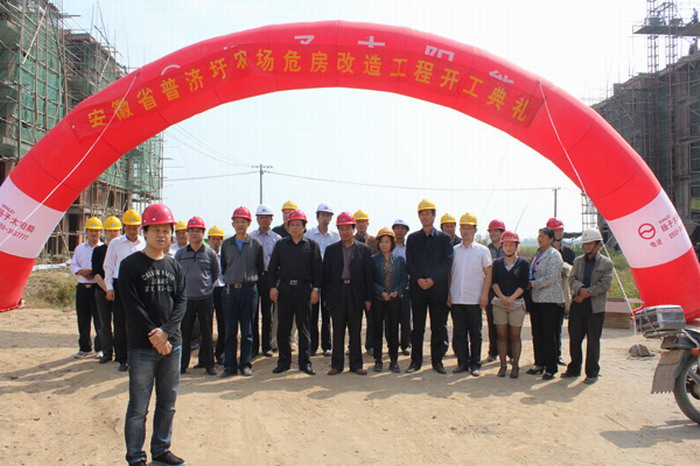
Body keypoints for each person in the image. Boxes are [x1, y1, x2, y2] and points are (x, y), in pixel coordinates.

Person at [118, 203, 186, 466]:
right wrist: (155, 336)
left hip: (172, 346)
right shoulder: (130, 265)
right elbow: (131, 305)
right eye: (156, 230)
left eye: (166, 230)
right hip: (142, 347)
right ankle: (135, 456)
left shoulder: (174, 266)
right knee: (138, 407)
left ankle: (161, 450)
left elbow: (181, 303)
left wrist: (166, 333)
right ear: (145, 232)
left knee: (168, 403)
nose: (162, 235)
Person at [268, 209, 322, 375]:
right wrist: (273, 287)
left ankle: (305, 363)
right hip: (284, 289)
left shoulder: (312, 245)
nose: (295, 227)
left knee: (304, 327)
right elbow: (272, 267)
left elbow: (318, 270)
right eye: (292, 224)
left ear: (304, 227)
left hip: (304, 290)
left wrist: (316, 290)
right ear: (287, 226)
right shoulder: (281, 244)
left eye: (298, 224)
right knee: (283, 328)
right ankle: (283, 362)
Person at [405, 199, 453, 374]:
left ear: (434, 216)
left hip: (437, 289)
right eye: (422, 214)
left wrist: (432, 279)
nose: (425, 217)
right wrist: (418, 279)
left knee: (438, 328)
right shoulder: (412, 238)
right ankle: (415, 361)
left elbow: (447, 262)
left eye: (428, 214)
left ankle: (437, 361)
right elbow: (410, 262)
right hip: (418, 289)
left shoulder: (444, 239)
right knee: (417, 328)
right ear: (419, 217)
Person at [323, 212, 373, 375]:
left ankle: (356, 364)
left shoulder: (364, 250)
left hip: (356, 293)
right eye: (341, 229)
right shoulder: (331, 250)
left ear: (353, 229)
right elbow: (326, 276)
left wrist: (368, 298)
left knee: (355, 330)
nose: (345, 232)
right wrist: (326, 298)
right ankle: (336, 365)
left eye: (348, 228)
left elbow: (368, 276)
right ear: (338, 230)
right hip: (337, 293)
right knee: (337, 330)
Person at [562, 229, 613, 384]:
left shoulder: (606, 263)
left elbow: (605, 284)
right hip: (578, 304)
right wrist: (581, 289)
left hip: (595, 307)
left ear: (598, 245)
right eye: (585, 244)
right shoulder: (578, 261)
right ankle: (574, 368)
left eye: (590, 243)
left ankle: (592, 372)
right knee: (575, 338)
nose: (587, 246)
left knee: (593, 340)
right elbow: (572, 279)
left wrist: (588, 293)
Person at [220, 207, 265, 377]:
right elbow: (224, 266)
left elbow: (260, 268)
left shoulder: (256, 244)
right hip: (231, 290)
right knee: (230, 331)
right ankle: (229, 366)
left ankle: (245, 364)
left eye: (243, 221)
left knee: (248, 330)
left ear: (249, 223)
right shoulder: (226, 244)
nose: (240, 224)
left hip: (249, 290)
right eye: (237, 221)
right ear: (232, 224)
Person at [448, 213, 492, 376]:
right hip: (457, 298)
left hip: (474, 299)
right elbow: (450, 274)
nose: (465, 231)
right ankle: (462, 363)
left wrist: (485, 294)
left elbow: (488, 273)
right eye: (463, 228)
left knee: (475, 333)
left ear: (475, 230)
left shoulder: (482, 250)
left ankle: (475, 364)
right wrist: (449, 293)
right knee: (459, 333)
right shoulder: (454, 251)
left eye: (468, 228)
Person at [175, 216, 219, 376]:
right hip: (187, 299)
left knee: (207, 333)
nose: (194, 233)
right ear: (187, 233)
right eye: (192, 230)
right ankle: (182, 364)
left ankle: (209, 364)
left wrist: (205, 286)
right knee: (185, 333)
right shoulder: (180, 253)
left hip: (205, 298)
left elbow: (215, 273)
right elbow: (176, 274)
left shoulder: (210, 253)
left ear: (203, 233)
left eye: (198, 230)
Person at [104, 209, 146, 372]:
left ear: (139, 227)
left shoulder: (144, 243)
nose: (132, 231)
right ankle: (122, 358)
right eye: (129, 227)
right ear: (124, 227)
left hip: (139, 285)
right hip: (120, 284)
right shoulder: (115, 243)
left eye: (135, 227)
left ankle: (136, 355)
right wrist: (109, 288)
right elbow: (108, 266)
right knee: (120, 323)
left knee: (137, 321)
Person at [491, 231, 529, 378]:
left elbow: (524, 284)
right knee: (501, 335)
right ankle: (502, 365)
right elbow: (494, 282)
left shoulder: (523, 263)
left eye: (511, 245)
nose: (508, 248)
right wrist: (502, 297)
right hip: (499, 303)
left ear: (516, 246)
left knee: (515, 336)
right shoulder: (497, 263)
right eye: (506, 245)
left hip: (517, 303)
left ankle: (515, 365)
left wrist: (512, 298)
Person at [527, 227, 564, 380]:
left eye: (543, 236)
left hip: (549, 300)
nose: (539, 238)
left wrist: (533, 284)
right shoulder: (538, 254)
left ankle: (551, 368)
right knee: (537, 333)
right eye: (539, 235)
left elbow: (552, 277)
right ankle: (539, 363)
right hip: (536, 299)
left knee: (549, 334)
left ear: (551, 239)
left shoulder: (554, 255)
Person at [304, 203, 339, 356]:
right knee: (312, 314)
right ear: (317, 217)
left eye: (328, 216)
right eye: (323, 215)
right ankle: (312, 346)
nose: (326, 218)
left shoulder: (335, 236)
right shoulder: (309, 234)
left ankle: (327, 346)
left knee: (327, 313)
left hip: (329, 279)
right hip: (313, 278)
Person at [371, 227, 407, 373]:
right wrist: (380, 291)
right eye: (382, 242)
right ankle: (378, 360)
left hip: (394, 300)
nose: (384, 245)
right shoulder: (373, 260)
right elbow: (370, 280)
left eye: (387, 241)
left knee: (393, 330)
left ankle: (394, 360)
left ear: (392, 243)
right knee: (377, 330)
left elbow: (404, 279)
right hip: (378, 300)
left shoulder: (399, 260)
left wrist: (397, 291)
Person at [250, 204, 282, 358]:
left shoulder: (277, 239)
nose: (264, 220)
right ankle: (253, 347)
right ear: (257, 219)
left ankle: (266, 346)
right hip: (254, 277)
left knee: (267, 314)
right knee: (253, 313)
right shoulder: (251, 237)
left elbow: (281, 262)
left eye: (267, 217)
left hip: (270, 278)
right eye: (261, 217)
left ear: (271, 219)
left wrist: (276, 282)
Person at [70, 217, 103, 359]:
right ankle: (84, 347)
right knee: (83, 319)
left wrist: (93, 272)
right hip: (83, 287)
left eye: (96, 230)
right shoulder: (80, 248)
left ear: (100, 232)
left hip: (97, 287)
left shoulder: (103, 249)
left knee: (99, 319)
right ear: (86, 232)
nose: (93, 233)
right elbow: (73, 264)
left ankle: (100, 348)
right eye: (91, 230)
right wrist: (80, 271)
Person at [92, 215, 123, 364]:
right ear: (105, 232)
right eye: (109, 231)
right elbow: (96, 274)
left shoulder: (123, 249)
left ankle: (120, 353)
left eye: (115, 230)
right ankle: (106, 352)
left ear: (120, 231)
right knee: (104, 324)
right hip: (102, 291)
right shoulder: (99, 251)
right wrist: (108, 289)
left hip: (119, 292)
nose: (112, 234)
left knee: (120, 323)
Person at [547, 217, 574, 366]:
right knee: (546, 328)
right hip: (546, 294)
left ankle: (557, 355)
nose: (559, 233)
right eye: (556, 230)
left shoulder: (568, 251)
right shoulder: (543, 251)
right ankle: (546, 357)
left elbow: (574, 271)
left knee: (558, 327)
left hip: (562, 293)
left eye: (560, 230)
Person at [353, 209, 378, 353]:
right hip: (354, 286)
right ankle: (352, 346)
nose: (361, 224)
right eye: (358, 222)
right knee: (354, 319)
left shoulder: (375, 241)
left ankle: (371, 345)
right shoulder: (349, 240)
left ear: (368, 223)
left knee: (372, 319)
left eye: (363, 222)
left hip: (371, 285)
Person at [485, 219, 507, 362]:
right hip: (490, 289)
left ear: (502, 232)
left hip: (506, 289)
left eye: (496, 231)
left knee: (507, 323)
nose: (493, 233)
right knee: (492, 321)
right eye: (491, 231)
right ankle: (493, 351)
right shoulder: (486, 250)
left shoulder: (508, 247)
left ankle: (509, 352)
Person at [392, 218, 412, 355]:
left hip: (406, 286)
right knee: (391, 318)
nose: (399, 230)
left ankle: (406, 344)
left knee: (405, 318)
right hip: (390, 286)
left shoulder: (410, 247)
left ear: (406, 231)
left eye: (403, 228)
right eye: (397, 227)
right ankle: (392, 344)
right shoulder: (387, 245)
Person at [207, 225, 226, 364]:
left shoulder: (225, 255)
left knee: (223, 323)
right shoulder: (205, 255)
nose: (216, 242)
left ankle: (221, 353)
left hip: (223, 290)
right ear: (208, 240)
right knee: (207, 324)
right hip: (208, 291)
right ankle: (207, 355)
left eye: (218, 239)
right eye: (213, 239)